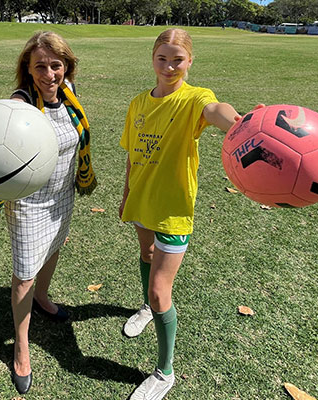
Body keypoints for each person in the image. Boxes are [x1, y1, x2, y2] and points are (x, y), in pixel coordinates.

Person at [118, 28, 256, 400]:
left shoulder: (194, 99)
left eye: (177, 59)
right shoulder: (138, 103)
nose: (168, 66)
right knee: (145, 256)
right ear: (152, 58)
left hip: (175, 210)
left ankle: (164, 373)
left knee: (162, 290)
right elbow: (132, 155)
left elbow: (216, 111)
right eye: (162, 58)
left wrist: (240, 122)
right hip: (142, 201)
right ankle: (146, 308)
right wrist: (127, 194)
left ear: (190, 61)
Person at [0, 30, 97, 395]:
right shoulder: (20, 102)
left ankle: (42, 298)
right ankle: (22, 346)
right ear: (27, 68)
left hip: (61, 195)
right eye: (40, 65)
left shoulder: (70, 93)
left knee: (54, 248)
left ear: (66, 66)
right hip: (28, 203)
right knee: (24, 274)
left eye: (56, 65)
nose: (49, 74)